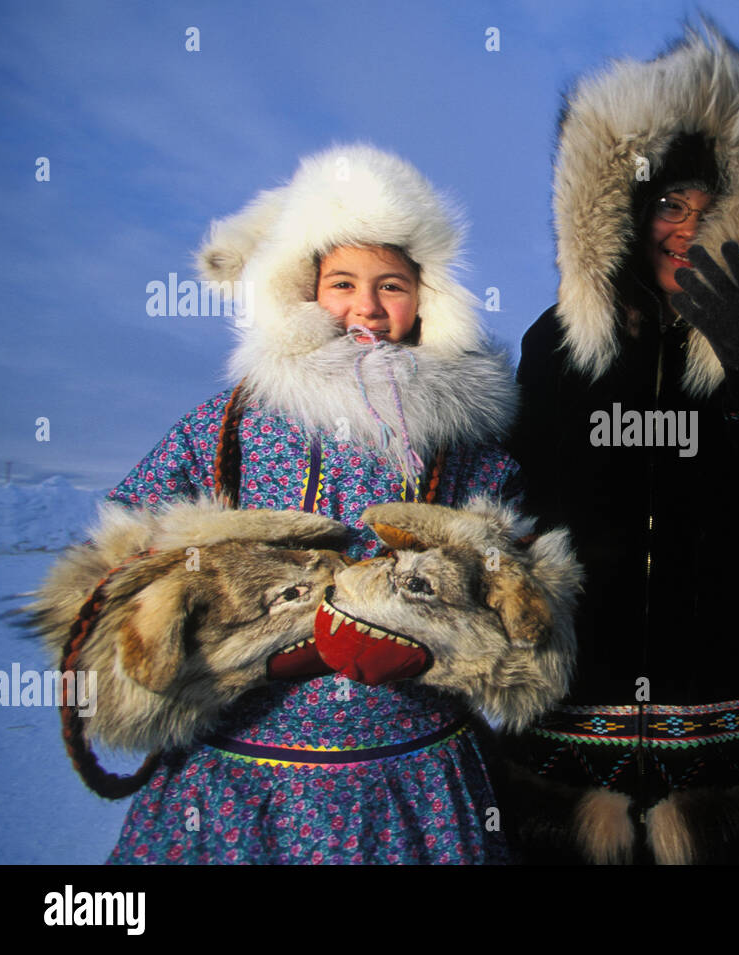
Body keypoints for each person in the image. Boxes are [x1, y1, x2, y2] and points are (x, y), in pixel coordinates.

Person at [105, 144, 521, 863]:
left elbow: (518, 602)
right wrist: (225, 639)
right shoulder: (229, 421)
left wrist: (437, 639)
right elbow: (116, 568)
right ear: (302, 289)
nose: (366, 306)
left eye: (392, 284)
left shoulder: (467, 446)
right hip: (236, 781)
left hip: (408, 778)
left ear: (429, 297)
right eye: (343, 282)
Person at [501, 24, 739, 864]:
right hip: (572, 708)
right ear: (627, 217)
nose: (684, 227)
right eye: (666, 205)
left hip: (721, 711)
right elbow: (512, 499)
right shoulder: (559, 347)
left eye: (703, 207)